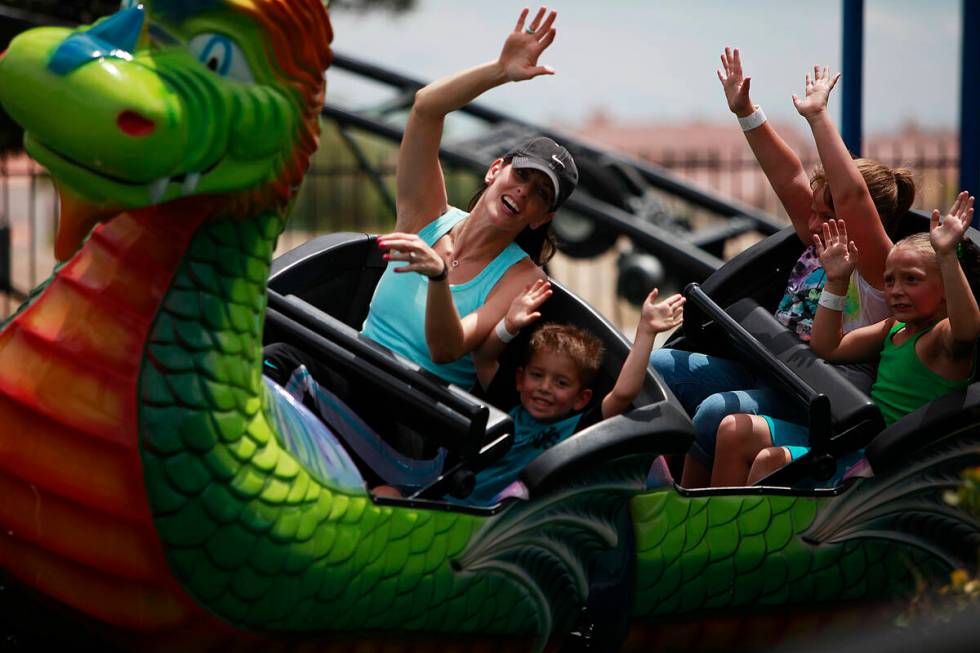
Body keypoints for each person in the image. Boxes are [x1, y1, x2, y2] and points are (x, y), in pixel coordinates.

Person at [265, 7, 577, 395]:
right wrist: (499, 70)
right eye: (521, 175)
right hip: (349, 374)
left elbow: (446, 349)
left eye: (540, 195)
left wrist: (439, 277)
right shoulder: (427, 215)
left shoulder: (523, 278)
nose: (523, 191)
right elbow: (427, 107)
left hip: (416, 418)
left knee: (277, 366)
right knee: (266, 359)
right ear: (495, 170)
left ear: (540, 219)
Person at [651, 51, 916, 487]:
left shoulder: (876, 267)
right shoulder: (819, 239)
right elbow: (787, 174)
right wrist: (746, 112)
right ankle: (654, 490)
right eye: (811, 213)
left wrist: (817, 119)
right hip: (773, 369)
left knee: (719, 411)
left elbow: (852, 198)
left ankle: (692, 509)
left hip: (823, 397)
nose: (810, 225)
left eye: (823, 213)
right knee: (659, 365)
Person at [711, 193, 979, 487]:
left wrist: (947, 256)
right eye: (890, 280)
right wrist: (837, 282)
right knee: (735, 430)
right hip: (858, 445)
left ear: (945, 288)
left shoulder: (941, 338)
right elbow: (828, 347)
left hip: (888, 464)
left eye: (911, 279)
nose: (896, 290)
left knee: (770, 462)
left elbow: (967, 330)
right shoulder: (892, 329)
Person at [463, 280, 685, 505]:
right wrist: (509, 324)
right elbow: (483, 357)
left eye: (561, 383)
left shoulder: (579, 429)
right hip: (456, 501)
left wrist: (646, 332)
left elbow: (623, 394)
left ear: (581, 399)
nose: (545, 387)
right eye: (537, 375)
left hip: (506, 521)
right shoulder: (507, 404)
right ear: (520, 379)